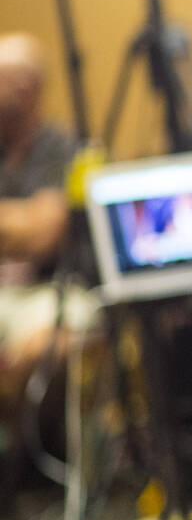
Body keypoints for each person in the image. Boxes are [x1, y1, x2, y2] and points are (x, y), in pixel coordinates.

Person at [0, 33, 97, 484]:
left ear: (26, 87)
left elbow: (42, 233)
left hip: (53, 292)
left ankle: (50, 475)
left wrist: (25, 224)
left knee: (50, 344)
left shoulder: (61, 149)